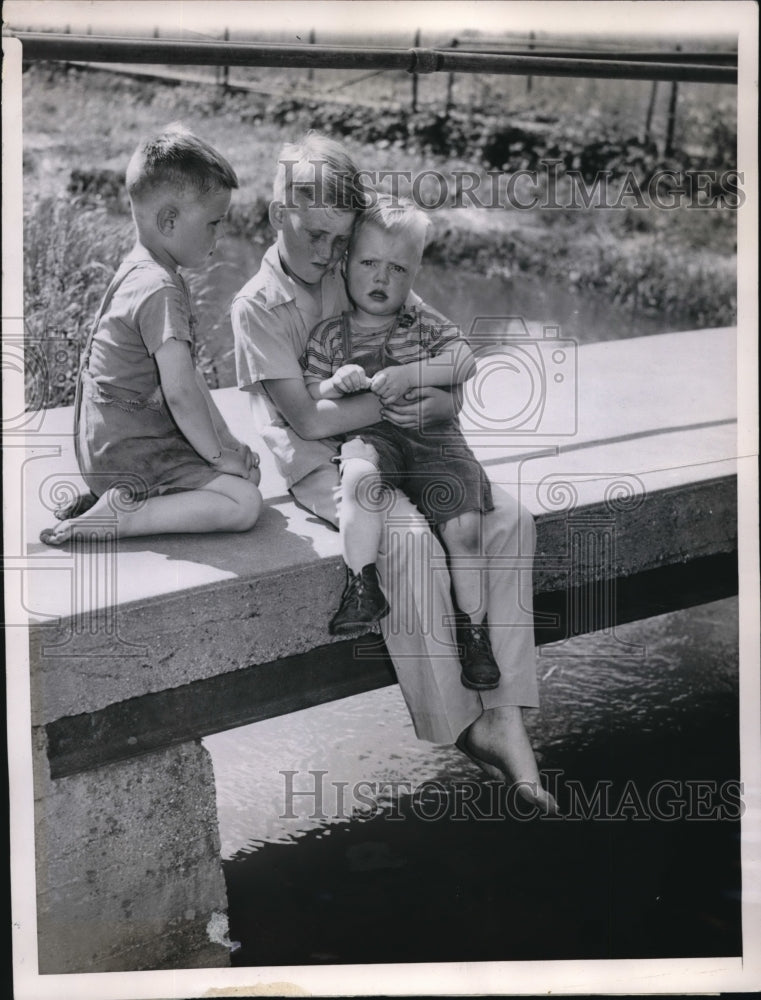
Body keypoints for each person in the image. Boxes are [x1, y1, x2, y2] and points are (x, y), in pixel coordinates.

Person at [232, 132, 556, 811]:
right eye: (314, 237)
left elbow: (446, 367)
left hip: (404, 439)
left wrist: (435, 393)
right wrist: (398, 387)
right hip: (320, 462)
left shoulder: (360, 260)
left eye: (338, 240)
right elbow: (312, 421)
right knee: (404, 538)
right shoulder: (256, 307)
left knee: (510, 521)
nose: (329, 256)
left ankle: (503, 714)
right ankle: (459, 724)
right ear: (274, 216)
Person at [302, 196, 502, 694]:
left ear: (413, 275)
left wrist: (411, 373)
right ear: (347, 263)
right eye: (369, 263)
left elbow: (464, 361)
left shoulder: (422, 323)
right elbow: (310, 394)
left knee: (465, 527)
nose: (382, 279)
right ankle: (362, 584)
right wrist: (338, 383)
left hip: (436, 440)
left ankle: (475, 632)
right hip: (376, 436)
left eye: (397, 269)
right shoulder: (330, 335)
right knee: (357, 476)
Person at [40, 123, 262, 546]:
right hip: (129, 455)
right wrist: (218, 458)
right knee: (244, 501)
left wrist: (228, 446)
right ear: (169, 220)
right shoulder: (161, 289)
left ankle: (112, 495)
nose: (220, 235)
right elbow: (179, 393)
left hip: (105, 452)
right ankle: (126, 515)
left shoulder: (140, 269)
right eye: (214, 223)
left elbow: (190, 378)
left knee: (242, 470)